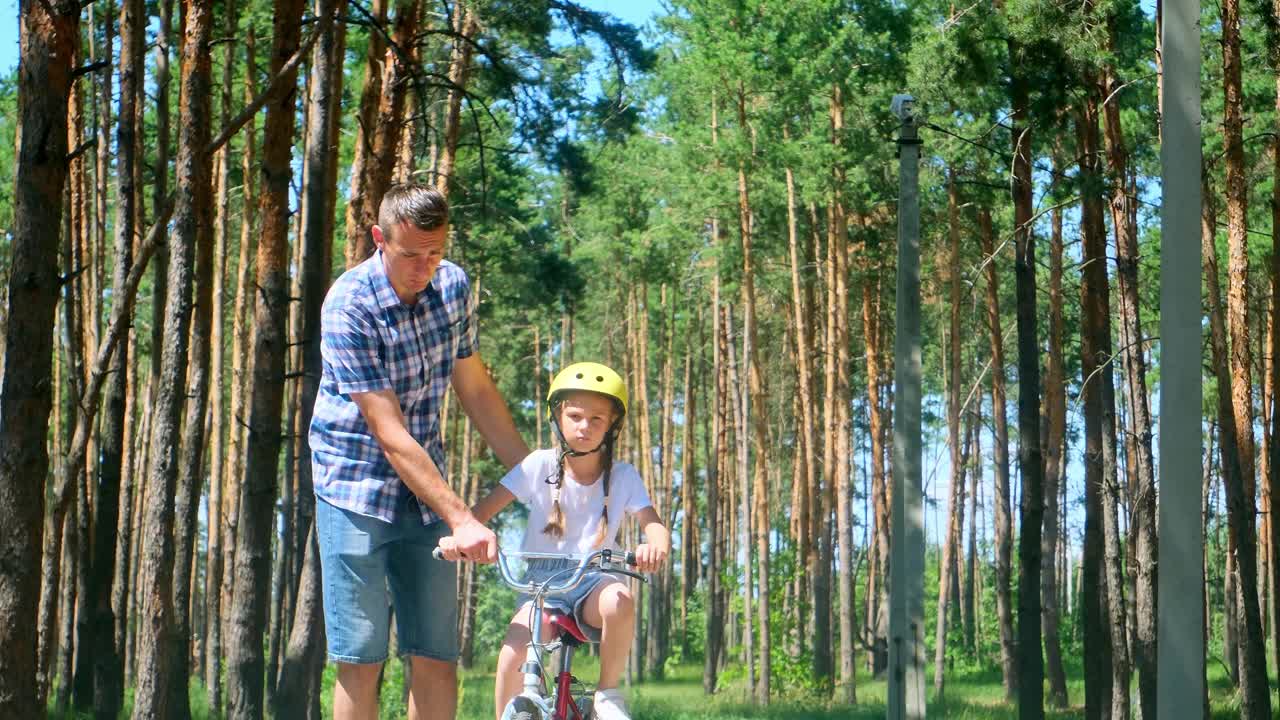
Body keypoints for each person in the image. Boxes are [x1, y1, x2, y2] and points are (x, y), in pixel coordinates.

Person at [310, 183, 529, 720]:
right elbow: (388, 431)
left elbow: (474, 386)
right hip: (353, 489)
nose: (424, 267)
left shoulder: (452, 286)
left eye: (435, 252)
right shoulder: (349, 304)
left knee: (435, 653)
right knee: (360, 659)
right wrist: (461, 517)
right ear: (380, 239)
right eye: (411, 254)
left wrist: (533, 474)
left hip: (426, 493)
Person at [438, 362, 671, 720]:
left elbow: (652, 525)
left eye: (597, 419)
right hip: (539, 586)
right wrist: (461, 537)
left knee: (621, 599)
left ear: (612, 426)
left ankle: (607, 693)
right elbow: (478, 514)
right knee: (512, 654)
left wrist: (654, 545)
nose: (585, 426)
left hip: (593, 579)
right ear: (558, 418)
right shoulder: (538, 465)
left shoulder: (623, 476)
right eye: (575, 416)